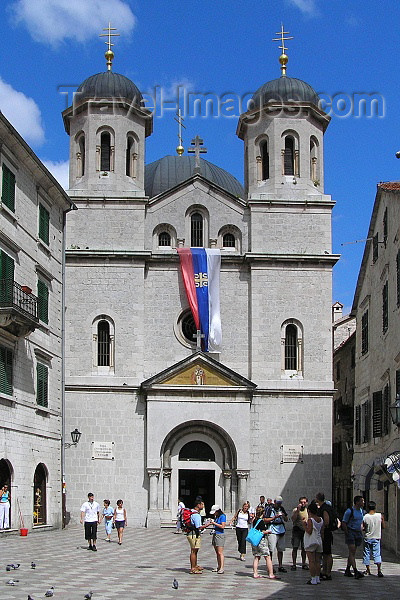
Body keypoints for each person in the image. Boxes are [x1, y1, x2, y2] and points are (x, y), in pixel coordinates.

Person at [341, 495, 365, 579]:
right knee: (352, 551)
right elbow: (344, 522)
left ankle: (347, 569)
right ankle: (355, 571)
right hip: (351, 532)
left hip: (358, 532)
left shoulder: (362, 511)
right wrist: (347, 532)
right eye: (362, 501)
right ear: (357, 502)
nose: (363, 502)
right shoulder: (349, 511)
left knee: (353, 553)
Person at [186, 497, 212, 574]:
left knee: (195, 550)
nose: (203, 506)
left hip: (192, 533)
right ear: (198, 505)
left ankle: (195, 565)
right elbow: (199, 527)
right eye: (202, 504)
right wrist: (207, 525)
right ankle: (193, 568)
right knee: (193, 551)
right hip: (194, 534)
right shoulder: (196, 515)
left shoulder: (192, 512)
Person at [251, 507, 277, 579]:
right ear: (263, 513)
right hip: (261, 540)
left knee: (257, 557)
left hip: (254, 541)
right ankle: (271, 574)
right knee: (267, 557)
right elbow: (262, 531)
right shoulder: (261, 521)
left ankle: (255, 573)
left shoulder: (254, 520)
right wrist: (268, 531)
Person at [264, 496, 288, 572]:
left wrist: (283, 516)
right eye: (278, 503)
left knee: (280, 549)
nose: (279, 505)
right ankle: (270, 566)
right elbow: (265, 519)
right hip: (272, 529)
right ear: (274, 502)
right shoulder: (269, 509)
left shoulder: (282, 508)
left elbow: (287, 519)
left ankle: (280, 565)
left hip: (281, 529)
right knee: (271, 549)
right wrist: (273, 517)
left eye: (280, 503)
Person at [315, 492, 336, 580]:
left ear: (317, 499)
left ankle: (328, 573)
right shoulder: (328, 507)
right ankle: (324, 571)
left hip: (326, 533)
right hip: (327, 532)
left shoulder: (324, 508)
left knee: (327, 553)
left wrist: (322, 531)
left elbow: (326, 521)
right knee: (325, 553)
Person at [303, 500, 324, 585]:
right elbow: (322, 531)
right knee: (318, 561)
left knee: (311, 561)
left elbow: (309, 531)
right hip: (319, 540)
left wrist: (304, 524)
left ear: (309, 511)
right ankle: (318, 577)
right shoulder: (320, 519)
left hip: (311, 541)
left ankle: (313, 578)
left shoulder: (311, 520)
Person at [362, 501, 385, 577]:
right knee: (377, 554)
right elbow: (383, 526)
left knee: (367, 553)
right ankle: (379, 570)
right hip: (377, 537)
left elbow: (363, 528)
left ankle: (368, 570)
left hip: (368, 537)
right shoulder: (380, 516)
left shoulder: (365, 517)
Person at [291, 496, 308, 570]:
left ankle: (304, 563)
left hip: (305, 531)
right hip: (297, 530)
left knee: (304, 548)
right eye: (301, 502)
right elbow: (293, 519)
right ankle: (294, 564)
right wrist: (297, 511)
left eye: (304, 502)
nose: (303, 504)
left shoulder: (308, 511)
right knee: (295, 547)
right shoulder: (295, 510)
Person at [209, 504, 226, 574]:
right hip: (215, 534)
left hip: (220, 535)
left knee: (220, 552)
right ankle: (218, 566)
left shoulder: (222, 516)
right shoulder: (217, 517)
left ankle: (222, 567)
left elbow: (223, 526)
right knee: (217, 552)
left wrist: (214, 523)